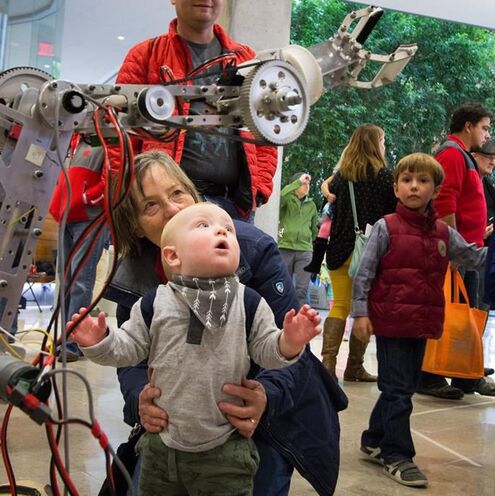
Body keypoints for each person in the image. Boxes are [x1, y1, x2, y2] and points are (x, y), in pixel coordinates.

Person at [102, 151, 348, 496]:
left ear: (193, 194)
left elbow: (286, 348)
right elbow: (130, 355)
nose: (174, 209)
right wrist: (139, 399)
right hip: (181, 423)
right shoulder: (135, 277)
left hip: (265, 415)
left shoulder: (248, 248)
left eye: (177, 193)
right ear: (135, 225)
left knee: (258, 476)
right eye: (151, 206)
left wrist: (265, 396)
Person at [69, 202, 321, 495]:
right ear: (173, 256)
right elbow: (128, 349)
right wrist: (99, 341)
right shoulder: (154, 303)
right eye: (204, 226)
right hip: (161, 446)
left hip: (225, 448)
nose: (221, 230)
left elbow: (267, 351)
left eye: (228, 228)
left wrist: (289, 342)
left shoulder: (249, 303)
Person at [352, 153, 486, 488]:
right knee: (399, 391)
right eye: (407, 180)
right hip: (391, 322)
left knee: (403, 387)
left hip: (423, 322)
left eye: (423, 181)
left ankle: (373, 438)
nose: (414, 186)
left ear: (435, 190)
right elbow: (363, 273)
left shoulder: (443, 232)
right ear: (396, 188)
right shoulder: (386, 227)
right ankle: (396, 454)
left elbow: (472, 257)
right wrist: (361, 313)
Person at [113, 0, 277, 221]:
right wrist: (132, 197)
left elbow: (266, 130)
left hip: (234, 205)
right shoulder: (146, 55)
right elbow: (118, 138)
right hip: (168, 206)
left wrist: (260, 189)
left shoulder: (245, 59)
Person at [418, 103, 495, 399]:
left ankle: (466, 376)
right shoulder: (452, 154)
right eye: (484, 127)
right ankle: (430, 376)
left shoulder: (461, 156)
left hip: (469, 251)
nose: (486, 134)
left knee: (468, 314)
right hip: (457, 251)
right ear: (468, 126)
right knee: (448, 313)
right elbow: (445, 204)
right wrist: (450, 250)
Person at [322, 124, 397, 381]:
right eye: (383, 141)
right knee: (363, 308)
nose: (384, 146)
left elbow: (330, 202)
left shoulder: (342, 177)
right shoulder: (386, 177)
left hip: (339, 249)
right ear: (375, 144)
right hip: (370, 253)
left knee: (340, 305)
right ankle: (354, 367)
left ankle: (328, 365)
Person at [48, 136, 110, 362]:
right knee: (65, 281)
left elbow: (114, 174)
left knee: (79, 281)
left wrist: (87, 197)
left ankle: (73, 343)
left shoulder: (106, 136)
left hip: (89, 216)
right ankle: (62, 338)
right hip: (67, 214)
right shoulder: (74, 138)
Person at [278, 172, 318, 306]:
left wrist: (313, 245)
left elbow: (314, 229)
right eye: (303, 183)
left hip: (305, 251)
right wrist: (298, 181)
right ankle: (282, 317)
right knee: (283, 286)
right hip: (285, 247)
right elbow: (281, 196)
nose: (307, 186)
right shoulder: (287, 200)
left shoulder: (312, 205)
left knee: (302, 289)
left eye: (309, 184)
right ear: (295, 185)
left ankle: (300, 319)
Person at [472, 140, 495, 313]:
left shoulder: (485, 183)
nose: (492, 161)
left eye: (494, 158)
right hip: (473, 255)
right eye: (488, 157)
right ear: (474, 157)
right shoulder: (471, 184)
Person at [304, 174, 336, 276]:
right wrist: (328, 195)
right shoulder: (341, 173)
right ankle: (316, 263)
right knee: (324, 229)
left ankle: (316, 263)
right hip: (333, 207)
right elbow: (324, 184)